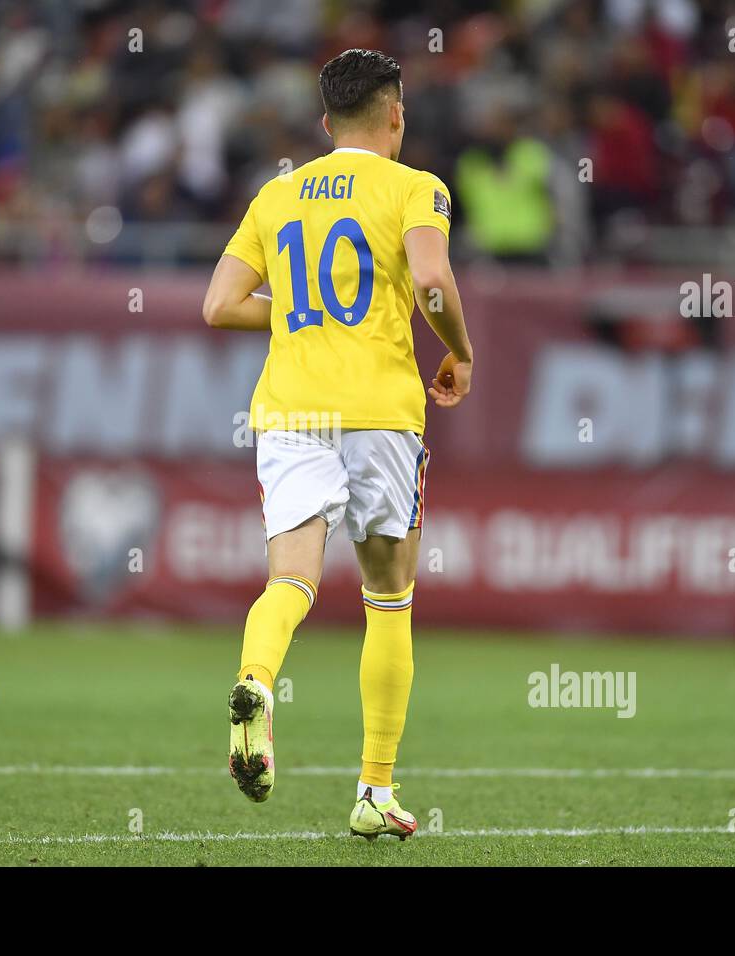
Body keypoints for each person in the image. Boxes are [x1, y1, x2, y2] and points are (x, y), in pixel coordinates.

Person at [201, 48, 474, 840]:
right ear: (396, 114)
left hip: (291, 411)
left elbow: (220, 304)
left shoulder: (278, 193)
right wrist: (460, 350)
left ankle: (255, 681)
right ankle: (374, 791)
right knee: (389, 600)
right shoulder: (416, 188)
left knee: (290, 580)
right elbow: (430, 284)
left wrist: (293, 311)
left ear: (324, 124)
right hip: (382, 413)